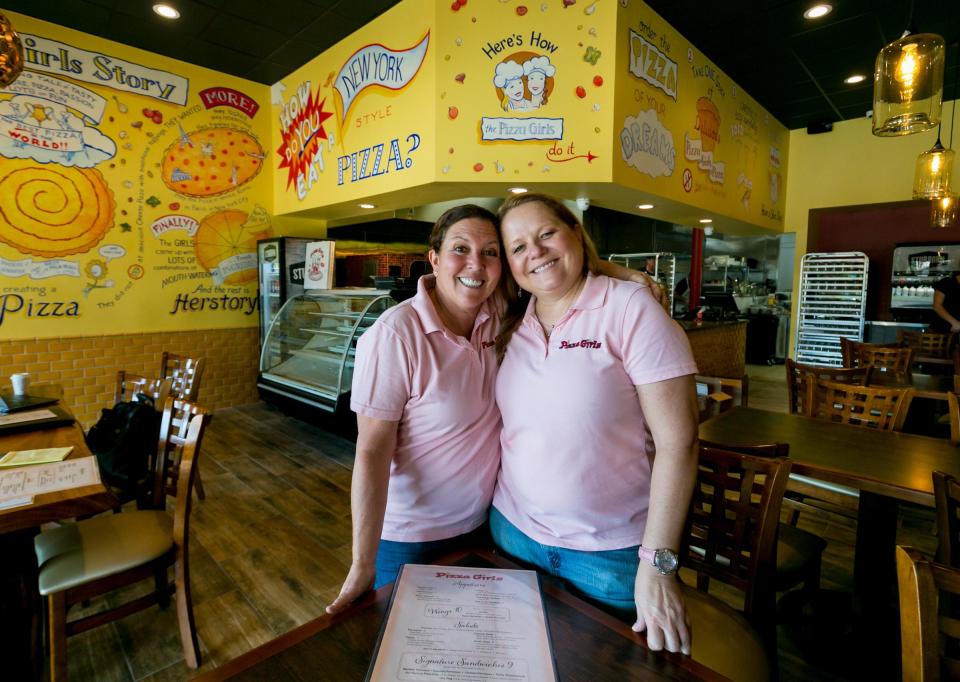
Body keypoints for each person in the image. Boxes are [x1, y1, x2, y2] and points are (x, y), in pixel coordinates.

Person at [326, 203, 665, 616]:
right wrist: (363, 562)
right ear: (433, 259)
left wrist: (630, 276)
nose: (476, 263)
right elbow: (372, 451)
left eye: (491, 252)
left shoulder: (499, 314)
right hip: (411, 537)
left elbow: (554, 266)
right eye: (460, 249)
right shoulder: (395, 335)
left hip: (483, 528)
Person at [491, 193, 699, 655]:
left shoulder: (630, 308)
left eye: (547, 234)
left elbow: (679, 443)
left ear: (575, 235)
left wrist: (658, 565)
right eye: (518, 247)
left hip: (610, 557)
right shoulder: (510, 321)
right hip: (512, 535)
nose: (536, 252)